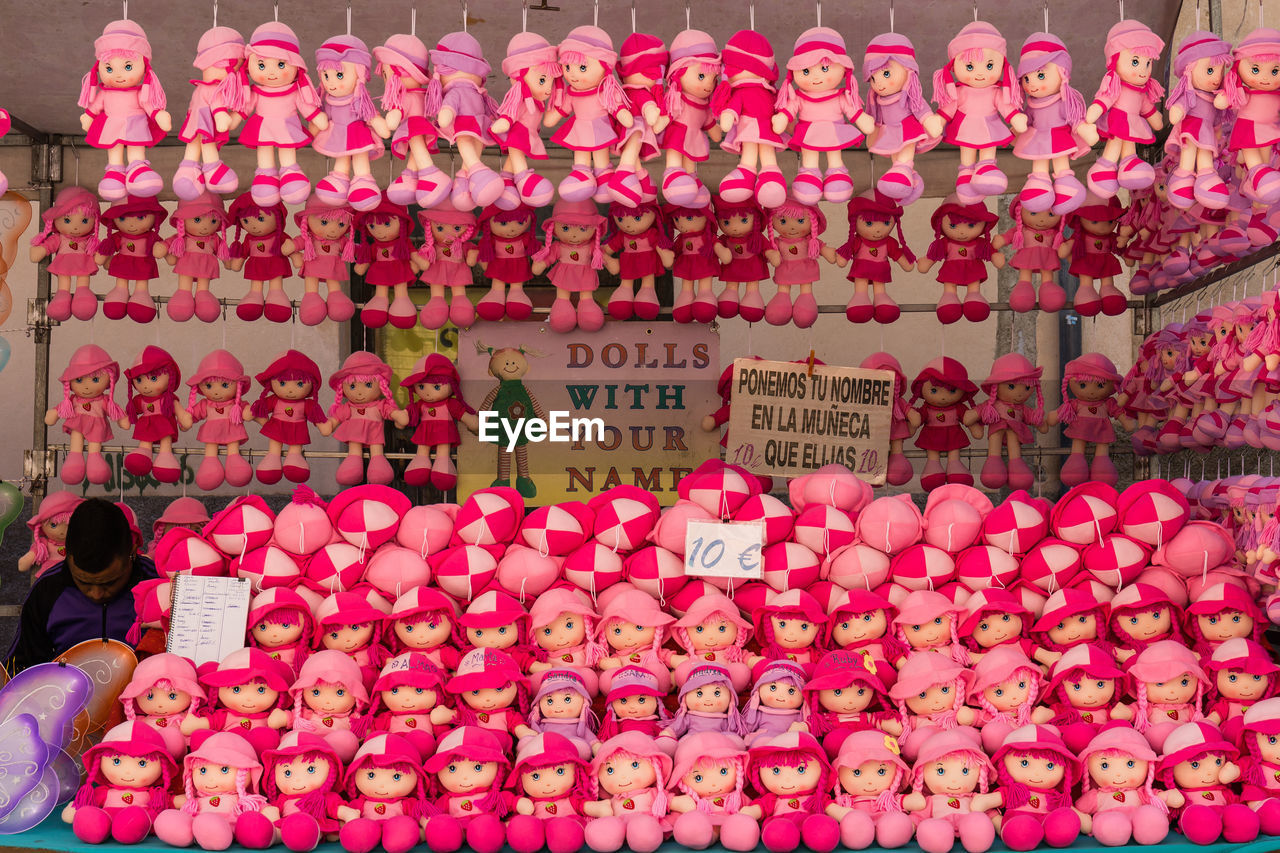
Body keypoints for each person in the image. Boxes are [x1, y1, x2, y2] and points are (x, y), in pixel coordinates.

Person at [10, 498, 157, 670]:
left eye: (109, 582)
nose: (96, 594)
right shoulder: (48, 590)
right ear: (66, 555)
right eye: (83, 582)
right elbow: (20, 668)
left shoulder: (158, 585)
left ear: (132, 553)